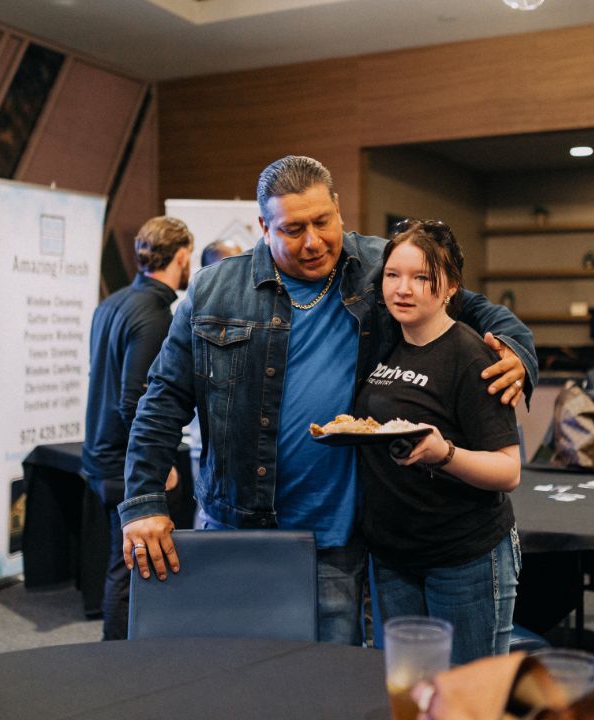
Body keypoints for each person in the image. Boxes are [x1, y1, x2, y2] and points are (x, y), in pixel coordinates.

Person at [120, 155, 536, 645]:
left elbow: (475, 307)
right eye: (293, 229)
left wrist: (518, 351)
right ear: (264, 227)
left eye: (323, 221)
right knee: (231, 670)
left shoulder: (380, 267)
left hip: (336, 539)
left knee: (326, 680)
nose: (314, 241)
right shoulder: (215, 289)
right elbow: (164, 397)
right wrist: (144, 500)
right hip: (236, 526)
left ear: (338, 208)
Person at [353, 219, 521, 664]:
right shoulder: (387, 343)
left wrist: (444, 453)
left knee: (465, 694)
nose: (402, 289)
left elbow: (508, 471)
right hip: (392, 557)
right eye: (393, 275)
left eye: (421, 277)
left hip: (462, 557)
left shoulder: (471, 354)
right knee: (409, 691)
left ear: (450, 287)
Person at [82, 216, 193, 640]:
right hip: (123, 461)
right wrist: (156, 466)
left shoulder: (112, 303)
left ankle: (121, 657)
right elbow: (135, 401)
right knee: (130, 569)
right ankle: (118, 659)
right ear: (181, 256)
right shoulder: (155, 314)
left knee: (123, 564)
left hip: (100, 454)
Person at [186, 237, 246, 485]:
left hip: (249, 456)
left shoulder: (254, 314)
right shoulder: (192, 318)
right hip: (207, 453)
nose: (240, 271)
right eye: (231, 263)